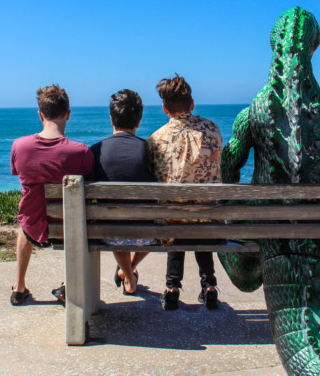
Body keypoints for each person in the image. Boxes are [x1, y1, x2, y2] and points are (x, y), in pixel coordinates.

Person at [10, 84, 94, 306]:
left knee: (24, 225)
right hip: (68, 228)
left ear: (40, 115)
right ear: (68, 114)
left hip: (33, 225)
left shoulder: (19, 146)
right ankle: (68, 286)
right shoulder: (82, 152)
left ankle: (18, 287)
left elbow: (19, 174)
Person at [146, 74, 222, 310]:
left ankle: (172, 287)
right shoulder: (212, 129)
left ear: (164, 108)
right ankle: (209, 285)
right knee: (200, 214)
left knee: (175, 212)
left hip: (172, 224)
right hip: (211, 223)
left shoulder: (155, 139)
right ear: (192, 104)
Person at [90, 89, 156, 296]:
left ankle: (127, 275)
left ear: (111, 119)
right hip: (150, 235)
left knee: (114, 221)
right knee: (142, 221)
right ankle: (129, 272)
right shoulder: (152, 151)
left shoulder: (94, 151)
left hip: (109, 234)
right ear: (139, 120)